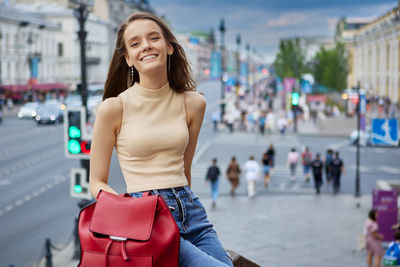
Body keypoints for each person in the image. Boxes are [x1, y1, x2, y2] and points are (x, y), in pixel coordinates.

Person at [89, 12, 233, 267]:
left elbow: (184, 170)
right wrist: (131, 214)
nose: (145, 45)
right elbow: (97, 182)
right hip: (148, 218)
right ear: (128, 59)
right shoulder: (113, 108)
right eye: (135, 43)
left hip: (193, 213)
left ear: (169, 47)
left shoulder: (194, 103)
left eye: (153, 38)